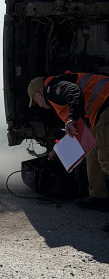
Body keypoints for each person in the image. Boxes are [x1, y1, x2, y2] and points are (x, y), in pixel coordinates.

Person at [27, 73, 109, 211]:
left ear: (38, 94)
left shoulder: (51, 89)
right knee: (92, 151)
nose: (39, 106)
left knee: (106, 159)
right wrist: (55, 151)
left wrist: (71, 118)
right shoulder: (57, 91)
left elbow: (73, 91)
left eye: (35, 101)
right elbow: (79, 131)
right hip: (101, 110)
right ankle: (98, 197)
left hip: (106, 105)